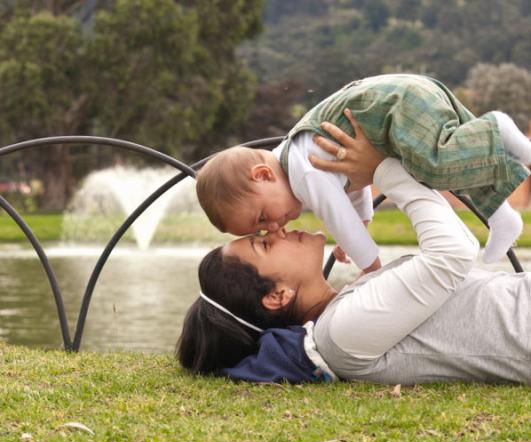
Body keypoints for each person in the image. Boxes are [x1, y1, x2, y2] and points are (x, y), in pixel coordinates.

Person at [178, 118, 530, 386]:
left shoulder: (345, 313)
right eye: (265, 242)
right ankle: (496, 125)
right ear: (277, 296)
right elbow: (452, 254)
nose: (278, 229)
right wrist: (382, 167)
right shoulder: (341, 334)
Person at [196, 73, 531, 270]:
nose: (275, 227)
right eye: (265, 232)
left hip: (400, 107)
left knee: (435, 166)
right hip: (405, 95)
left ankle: (496, 126)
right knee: (457, 161)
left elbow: (338, 215)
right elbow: (351, 186)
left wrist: (370, 267)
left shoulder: (303, 174)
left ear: (263, 175)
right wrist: (364, 223)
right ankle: (501, 215)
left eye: (262, 218)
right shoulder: (298, 156)